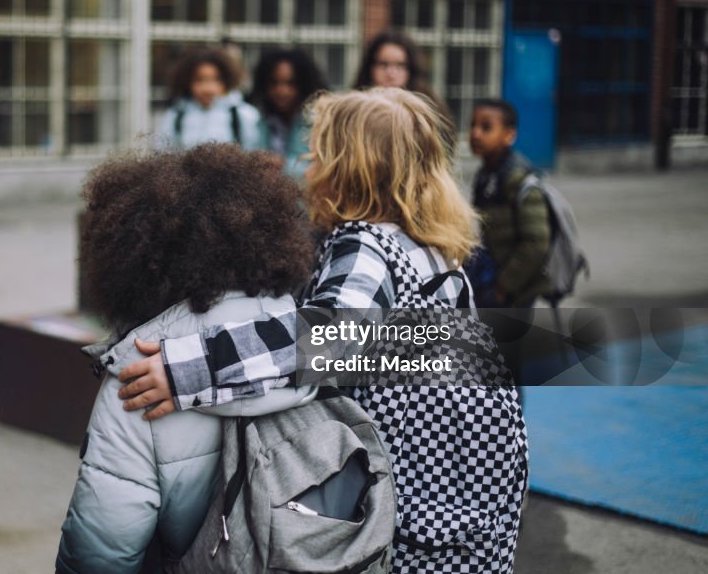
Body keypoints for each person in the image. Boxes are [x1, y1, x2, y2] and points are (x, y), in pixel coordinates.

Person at [118, 89, 529, 573]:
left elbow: (320, 342)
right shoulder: (436, 252)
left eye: (314, 157)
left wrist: (189, 368)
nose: (305, 170)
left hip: (398, 507)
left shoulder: (366, 249)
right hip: (453, 506)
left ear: (347, 170)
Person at [56, 144, 317, 574]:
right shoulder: (302, 327)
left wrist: (187, 371)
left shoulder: (141, 376)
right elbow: (437, 345)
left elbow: (99, 552)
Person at [467, 99, 553, 308]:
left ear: (509, 135)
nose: (476, 134)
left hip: (513, 291)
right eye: (473, 125)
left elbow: (537, 243)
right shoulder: (486, 174)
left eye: (486, 127)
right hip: (490, 276)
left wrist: (503, 288)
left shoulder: (519, 179)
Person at [353, 29, 457, 154]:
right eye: (383, 64)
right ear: (370, 67)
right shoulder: (354, 110)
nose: (391, 73)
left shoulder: (427, 111)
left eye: (400, 65)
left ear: (411, 69)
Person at [156, 45, 263, 150]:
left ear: (227, 81)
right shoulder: (175, 116)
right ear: (187, 82)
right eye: (199, 80)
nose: (207, 88)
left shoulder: (244, 115)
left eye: (216, 80)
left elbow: (253, 152)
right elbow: (163, 152)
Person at [249, 48, 329, 177]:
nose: (282, 91)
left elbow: (321, 169)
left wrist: (281, 165)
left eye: (290, 83)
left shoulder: (318, 120)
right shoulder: (257, 118)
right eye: (274, 83)